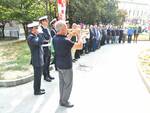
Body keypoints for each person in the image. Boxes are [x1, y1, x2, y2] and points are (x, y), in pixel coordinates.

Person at [53, 20, 83, 108]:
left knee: (62, 83)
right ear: (62, 29)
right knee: (68, 84)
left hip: (59, 65)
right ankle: (65, 101)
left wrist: (72, 33)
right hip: (66, 66)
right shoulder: (65, 41)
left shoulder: (55, 38)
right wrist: (78, 34)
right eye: (66, 28)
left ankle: (61, 99)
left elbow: (66, 39)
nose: (67, 29)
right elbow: (80, 46)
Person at [27, 21, 47, 95]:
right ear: (32, 29)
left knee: (39, 76)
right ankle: (36, 91)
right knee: (37, 77)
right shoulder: (31, 37)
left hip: (39, 59)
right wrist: (40, 34)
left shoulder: (34, 36)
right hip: (37, 60)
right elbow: (40, 42)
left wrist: (39, 34)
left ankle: (38, 88)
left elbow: (43, 39)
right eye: (36, 28)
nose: (38, 29)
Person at [39, 16, 54, 82]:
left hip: (48, 47)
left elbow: (49, 37)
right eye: (46, 21)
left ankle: (48, 74)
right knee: (45, 63)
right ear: (42, 22)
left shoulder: (47, 29)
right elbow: (43, 39)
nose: (47, 22)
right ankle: (45, 76)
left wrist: (48, 40)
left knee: (48, 62)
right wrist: (47, 39)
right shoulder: (40, 29)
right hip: (43, 48)